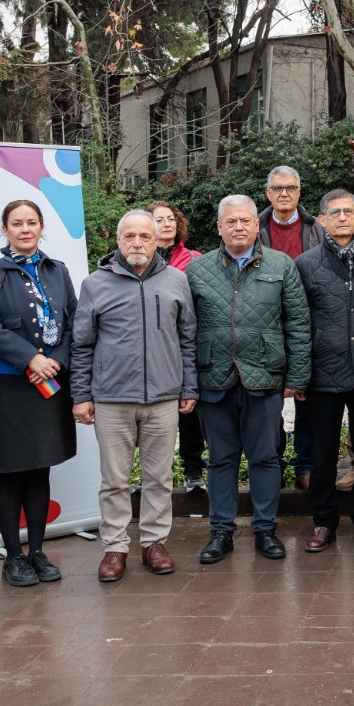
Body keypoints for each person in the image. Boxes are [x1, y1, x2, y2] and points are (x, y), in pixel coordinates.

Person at [71, 211, 197, 581]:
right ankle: (115, 546)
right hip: (112, 398)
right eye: (130, 236)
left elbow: (187, 337)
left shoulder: (176, 280)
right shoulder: (95, 284)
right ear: (118, 240)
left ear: (158, 239)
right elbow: (81, 345)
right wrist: (82, 395)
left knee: (159, 478)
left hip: (162, 398)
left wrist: (188, 387)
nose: (137, 243)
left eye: (145, 235)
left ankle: (154, 543)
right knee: (114, 480)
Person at [186, 195, 311, 562]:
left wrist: (298, 376)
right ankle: (221, 532)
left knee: (266, 458)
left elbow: (299, 324)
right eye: (231, 222)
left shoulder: (282, 264)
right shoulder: (197, 270)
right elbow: (185, 328)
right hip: (214, 377)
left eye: (245, 221)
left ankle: (265, 530)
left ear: (258, 225)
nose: (238, 227)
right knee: (221, 459)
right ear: (219, 227)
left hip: (265, 377)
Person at [0, 201, 79, 587]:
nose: (25, 229)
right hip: (4, 389)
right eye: (17, 223)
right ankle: (14, 556)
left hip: (47, 387)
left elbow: (73, 324)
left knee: (40, 469)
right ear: (6, 229)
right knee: (11, 473)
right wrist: (30, 358)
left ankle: (38, 553)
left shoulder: (57, 271)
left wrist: (56, 361)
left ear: (42, 227)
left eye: (31, 222)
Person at [296, 189, 354, 552]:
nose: (341, 217)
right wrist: (300, 374)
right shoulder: (306, 265)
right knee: (322, 452)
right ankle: (323, 522)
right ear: (321, 220)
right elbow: (298, 323)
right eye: (333, 212)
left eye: (348, 211)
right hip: (323, 375)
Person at [256, 165, 323, 489]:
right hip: (264, 326)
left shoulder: (315, 228)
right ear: (268, 193)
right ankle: (275, 463)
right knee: (269, 401)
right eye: (278, 188)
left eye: (291, 188)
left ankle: (305, 465)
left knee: (305, 397)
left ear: (299, 192)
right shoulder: (256, 228)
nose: (285, 194)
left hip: (305, 323)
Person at [147, 200, 209, 494]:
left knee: (189, 413)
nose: (167, 224)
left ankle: (193, 472)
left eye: (171, 218)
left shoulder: (196, 260)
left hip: (185, 346)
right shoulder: (139, 260)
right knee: (150, 418)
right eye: (159, 220)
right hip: (151, 350)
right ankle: (151, 477)